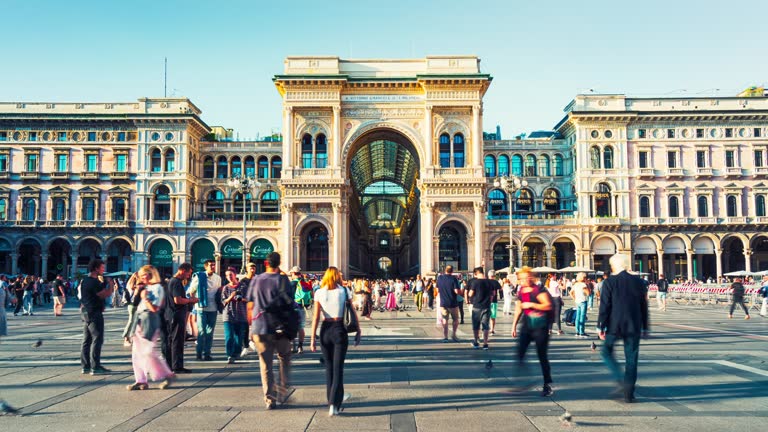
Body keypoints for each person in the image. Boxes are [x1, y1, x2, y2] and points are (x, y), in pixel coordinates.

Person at [598, 254, 650, 403]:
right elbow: (644, 307)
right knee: (631, 359)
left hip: (614, 325)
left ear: (614, 265)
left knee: (606, 352)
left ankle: (621, 380)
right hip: (634, 325)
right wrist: (645, 327)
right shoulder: (640, 282)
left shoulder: (609, 282)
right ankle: (629, 393)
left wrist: (601, 326)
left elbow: (605, 306)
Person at [310, 266, 362, 416]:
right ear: (337, 276)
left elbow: (315, 318)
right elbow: (352, 311)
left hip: (325, 330)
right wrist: (358, 330)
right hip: (339, 329)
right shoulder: (344, 291)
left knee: (329, 368)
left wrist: (313, 338)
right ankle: (334, 404)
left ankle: (331, 401)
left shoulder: (319, 292)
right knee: (338, 369)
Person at [246, 252, 294, 410]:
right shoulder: (283, 280)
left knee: (265, 365)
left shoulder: (257, 280)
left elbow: (250, 306)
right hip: (281, 328)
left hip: (260, 328)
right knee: (284, 359)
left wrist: (250, 328)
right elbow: (291, 304)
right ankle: (282, 389)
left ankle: (269, 399)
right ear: (279, 263)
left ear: (266, 263)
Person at [127, 265, 176, 391]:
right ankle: (141, 381)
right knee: (136, 353)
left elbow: (155, 308)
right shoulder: (145, 287)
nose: (142, 278)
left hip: (150, 319)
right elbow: (134, 304)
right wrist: (138, 293)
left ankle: (167, 374)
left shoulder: (158, 288)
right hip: (139, 319)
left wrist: (145, 298)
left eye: (145, 275)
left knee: (148, 351)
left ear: (151, 274)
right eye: (141, 275)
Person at [511, 266, 554, 397]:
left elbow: (548, 305)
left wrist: (532, 305)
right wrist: (513, 326)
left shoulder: (539, 289)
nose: (522, 281)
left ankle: (547, 385)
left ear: (531, 277)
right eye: (520, 279)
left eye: (525, 278)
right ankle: (527, 381)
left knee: (542, 356)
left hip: (540, 326)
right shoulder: (521, 290)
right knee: (520, 353)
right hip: (527, 326)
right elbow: (519, 308)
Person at [80, 259, 112, 375]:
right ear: (96, 268)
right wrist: (111, 285)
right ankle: (95, 367)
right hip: (94, 313)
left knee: (87, 340)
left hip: (86, 312)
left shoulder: (85, 280)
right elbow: (105, 294)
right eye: (102, 268)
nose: (104, 270)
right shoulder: (93, 282)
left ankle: (85, 366)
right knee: (97, 338)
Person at [188, 259, 223, 361]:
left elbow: (219, 291)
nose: (213, 267)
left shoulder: (218, 278)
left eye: (213, 265)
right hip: (201, 308)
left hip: (213, 307)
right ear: (205, 267)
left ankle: (207, 353)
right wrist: (196, 301)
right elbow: (191, 291)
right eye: (211, 265)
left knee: (210, 332)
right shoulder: (199, 276)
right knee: (202, 331)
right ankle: (199, 353)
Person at [167, 263, 197, 373]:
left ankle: (174, 365)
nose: (189, 276)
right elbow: (177, 300)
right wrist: (191, 300)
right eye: (188, 273)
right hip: (176, 315)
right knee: (177, 341)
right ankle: (177, 366)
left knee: (175, 340)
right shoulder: (176, 283)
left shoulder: (172, 281)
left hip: (173, 315)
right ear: (183, 270)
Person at [222, 267, 249, 364]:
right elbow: (223, 302)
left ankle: (237, 352)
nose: (229, 277)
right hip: (228, 315)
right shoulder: (225, 288)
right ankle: (229, 355)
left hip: (241, 314)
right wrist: (231, 296)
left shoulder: (243, 286)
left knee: (239, 337)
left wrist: (241, 299)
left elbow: (249, 299)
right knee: (229, 336)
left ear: (235, 275)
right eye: (227, 275)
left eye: (231, 275)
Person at [437, 265, 463, 342]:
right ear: (452, 271)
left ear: (445, 270)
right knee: (455, 320)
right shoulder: (454, 279)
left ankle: (445, 337)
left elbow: (437, 289)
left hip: (443, 303)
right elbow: (456, 291)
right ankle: (454, 335)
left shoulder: (440, 278)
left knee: (445, 319)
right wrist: (461, 292)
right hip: (452, 303)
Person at [468, 267, 491, 350]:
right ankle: (485, 344)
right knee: (485, 325)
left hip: (477, 306)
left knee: (476, 325)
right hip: (487, 306)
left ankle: (476, 342)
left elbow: (470, 294)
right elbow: (493, 294)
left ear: (475, 273)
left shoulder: (475, 282)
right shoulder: (489, 282)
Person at [291, 266, 312, 354]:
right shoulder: (304, 282)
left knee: (292, 327)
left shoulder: (292, 284)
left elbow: (289, 297)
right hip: (303, 307)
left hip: (293, 308)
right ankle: (300, 346)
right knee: (301, 327)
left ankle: (293, 346)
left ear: (293, 273)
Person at [122, 273, 140, 347]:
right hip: (134, 304)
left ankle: (129, 337)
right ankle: (126, 337)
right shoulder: (135, 286)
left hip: (130, 304)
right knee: (132, 321)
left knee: (133, 321)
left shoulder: (129, 284)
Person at [571, 272, 589, 338]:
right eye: (585, 277)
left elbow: (570, 292)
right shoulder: (583, 284)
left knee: (577, 317)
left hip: (577, 302)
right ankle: (582, 332)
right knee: (582, 317)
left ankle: (577, 331)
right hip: (583, 301)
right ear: (583, 278)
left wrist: (574, 298)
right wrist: (588, 285)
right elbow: (588, 293)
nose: (585, 278)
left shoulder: (575, 284)